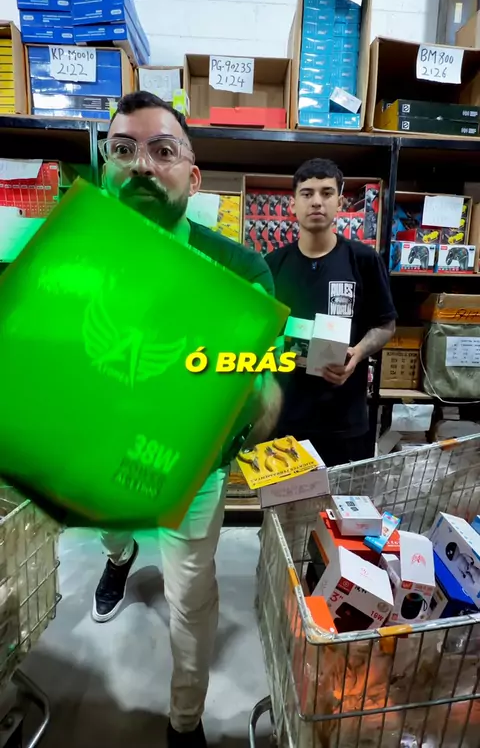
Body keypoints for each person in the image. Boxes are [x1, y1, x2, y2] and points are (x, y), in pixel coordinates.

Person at [93, 91, 282, 748]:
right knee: (110, 531)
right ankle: (120, 557)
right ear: (105, 168)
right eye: (123, 150)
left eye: (162, 150)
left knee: (190, 596)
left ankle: (184, 722)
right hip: (102, 452)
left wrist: (258, 392)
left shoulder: (239, 270)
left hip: (193, 467)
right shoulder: (73, 259)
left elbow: (259, 378)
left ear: (193, 177)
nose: (141, 164)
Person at [266, 158, 397, 466]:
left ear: (340, 202)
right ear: (293, 204)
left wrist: (357, 353)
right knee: (286, 498)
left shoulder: (364, 260)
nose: (316, 202)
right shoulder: (272, 264)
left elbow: (386, 325)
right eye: (307, 193)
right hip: (284, 418)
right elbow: (259, 332)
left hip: (344, 421)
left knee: (343, 497)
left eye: (326, 193)